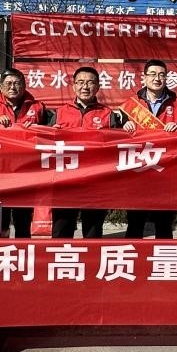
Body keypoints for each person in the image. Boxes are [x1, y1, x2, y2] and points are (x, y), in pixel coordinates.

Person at [51, 66, 126, 238]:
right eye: (81, 82)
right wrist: (52, 134)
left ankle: (91, 256)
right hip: (65, 180)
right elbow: (45, 145)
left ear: (97, 87)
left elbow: (117, 148)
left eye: (90, 83)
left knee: (93, 230)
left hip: (96, 181)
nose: (85, 87)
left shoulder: (107, 114)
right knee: (61, 228)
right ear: (74, 86)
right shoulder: (60, 113)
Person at [122, 58, 177, 239]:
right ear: (144, 78)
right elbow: (118, 137)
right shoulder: (132, 103)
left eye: (161, 75)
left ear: (166, 78)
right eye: (152, 74)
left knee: (164, 224)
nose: (157, 78)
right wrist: (124, 126)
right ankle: (131, 255)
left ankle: (164, 256)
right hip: (138, 170)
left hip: (165, 171)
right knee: (135, 223)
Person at [0, 68, 47, 238]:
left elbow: (50, 132)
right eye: (8, 84)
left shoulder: (38, 107)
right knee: (0, 220)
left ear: (24, 86)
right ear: (1, 87)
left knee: (23, 219)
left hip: (26, 171)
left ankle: (24, 250)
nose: (13, 87)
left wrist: (38, 129)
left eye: (17, 83)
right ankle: (2, 251)